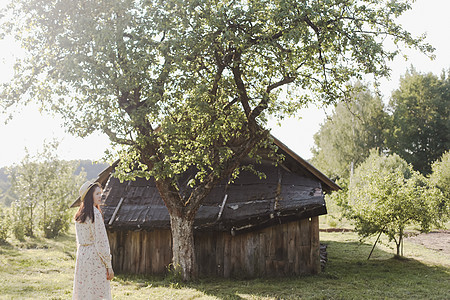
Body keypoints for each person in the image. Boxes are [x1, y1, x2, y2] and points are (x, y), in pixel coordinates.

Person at [73, 181, 114, 300]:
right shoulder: (95, 213)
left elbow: (78, 240)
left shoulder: (79, 214)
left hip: (82, 256)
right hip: (95, 256)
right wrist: (108, 265)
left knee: (84, 290)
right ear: (89, 196)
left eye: (100, 193)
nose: (100, 196)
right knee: (98, 292)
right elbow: (101, 241)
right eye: (97, 194)